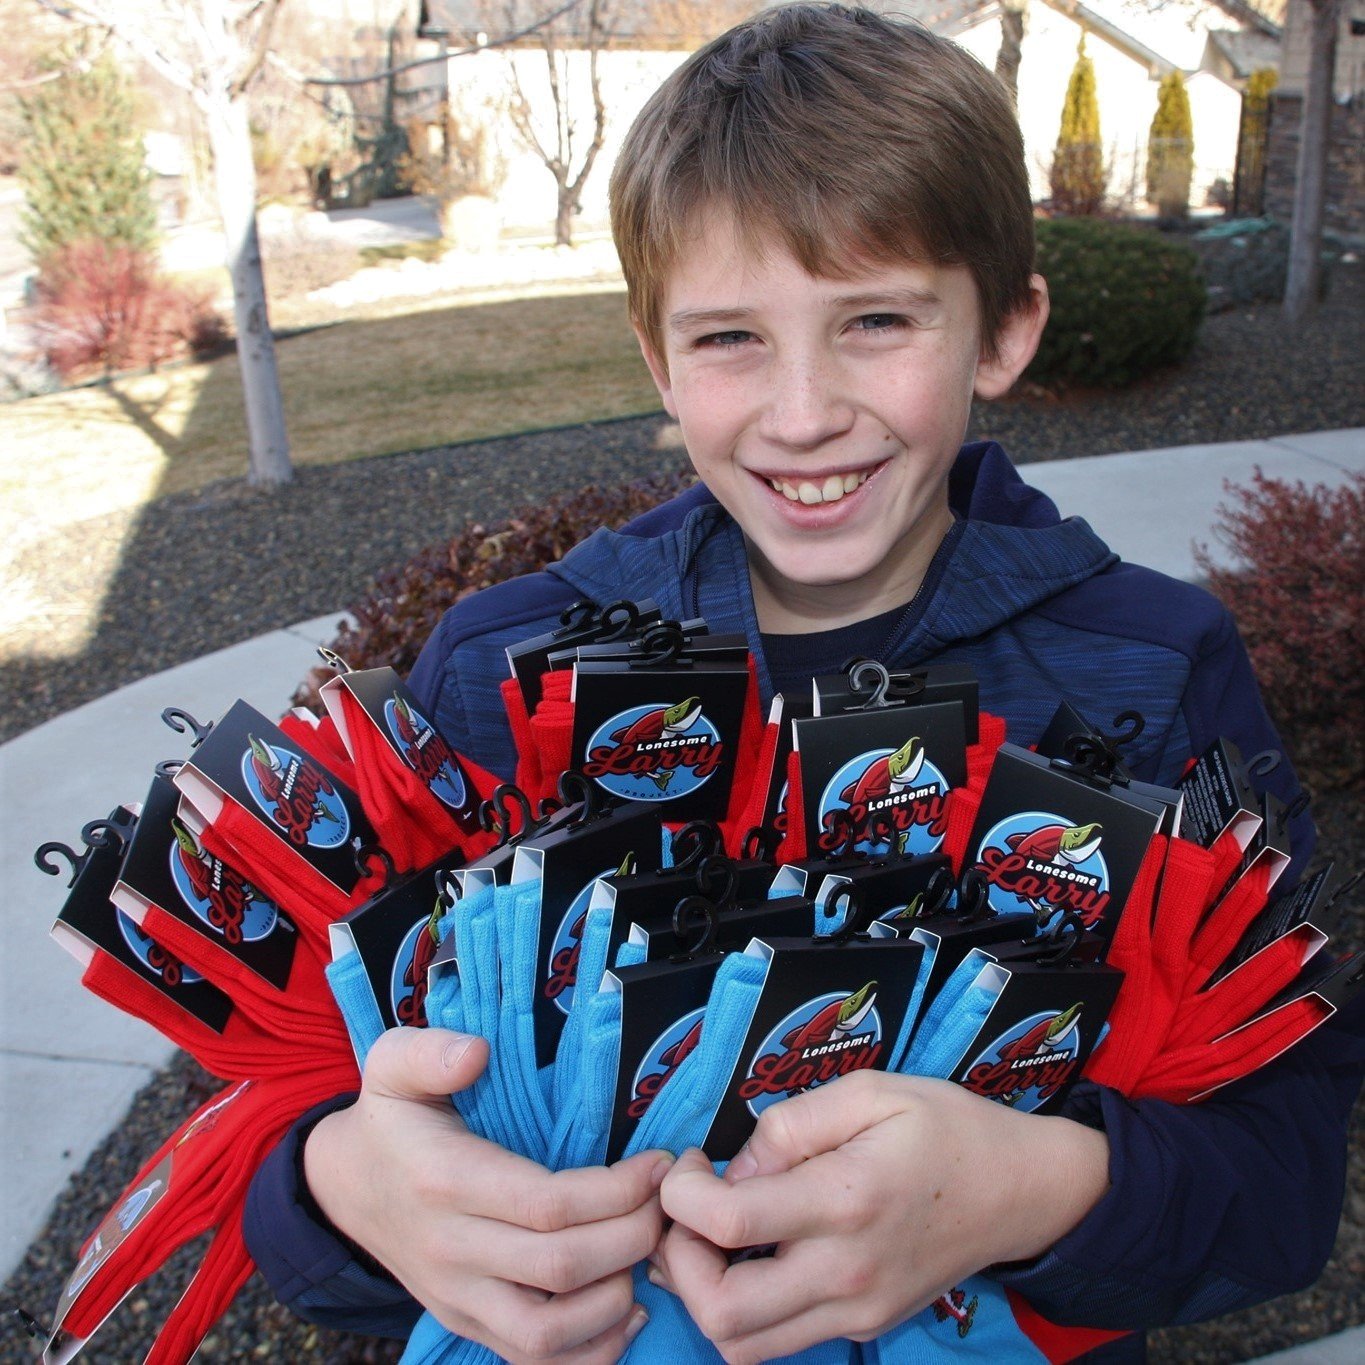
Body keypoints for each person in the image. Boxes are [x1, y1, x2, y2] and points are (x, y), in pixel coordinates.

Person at [243, 7, 1363, 1363]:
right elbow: (288, 1094)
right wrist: (342, 1187)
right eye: (730, 338)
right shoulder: (499, 672)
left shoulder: (1155, 668)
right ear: (656, 359)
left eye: (875, 319)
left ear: (1004, 330)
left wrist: (1035, 1189)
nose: (803, 412)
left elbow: (1284, 1174)